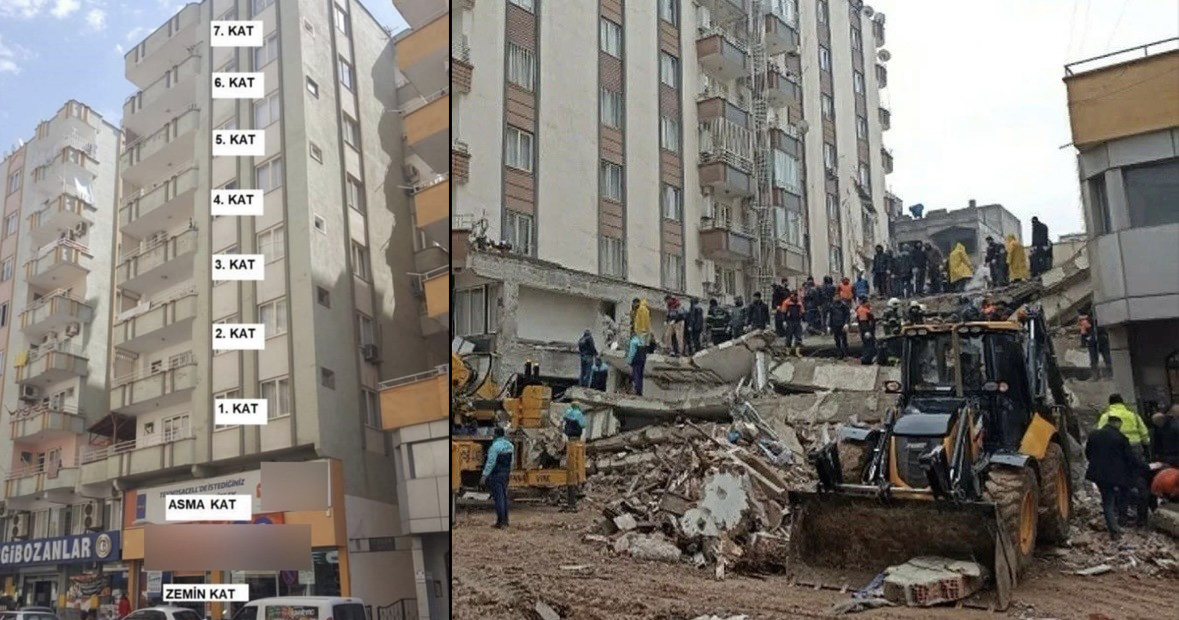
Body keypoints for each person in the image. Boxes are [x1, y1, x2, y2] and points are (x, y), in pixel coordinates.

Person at [1085, 416, 1145, 539]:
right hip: (1115, 475)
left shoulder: (1094, 435)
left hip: (1098, 474)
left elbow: (1088, 453)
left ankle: (1115, 527)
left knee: (1107, 500)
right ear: (1117, 423)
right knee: (1118, 497)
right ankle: (1117, 527)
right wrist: (1145, 466)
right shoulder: (1120, 438)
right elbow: (1130, 458)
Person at [481, 426, 515, 528]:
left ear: (495, 435)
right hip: (505, 473)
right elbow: (512, 462)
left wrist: (484, 475)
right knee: (504, 497)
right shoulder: (510, 445)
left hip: (496, 474)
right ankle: (505, 521)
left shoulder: (494, 447)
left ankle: (501, 522)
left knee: (498, 498)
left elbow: (491, 462)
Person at [560, 403, 587, 511]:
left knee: (571, 469)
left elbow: (564, 426)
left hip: (570, 441)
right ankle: (575, 495)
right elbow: (583, 426)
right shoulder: (579, 414)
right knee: (577, 468)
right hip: (577, 442)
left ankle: (572, 499)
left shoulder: (568, 414)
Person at [780, 291, 805, 357]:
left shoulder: (799, 302)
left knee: (798, 337)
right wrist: (784, 321)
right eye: (793, 295)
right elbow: (783, 312)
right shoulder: (786, 302)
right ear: (791, 295)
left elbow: (802, 312)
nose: (794, 297)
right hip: (789, 321)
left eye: (795, 296)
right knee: (789, 337)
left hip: (797, 321)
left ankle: (797, 352)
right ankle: (788, 352)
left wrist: (803, 320)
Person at [856, 297, 877, 365]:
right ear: (865, 303)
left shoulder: (866, 309)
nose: (869, 303)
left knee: (870, 344)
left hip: (869, 330)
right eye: (868, 302)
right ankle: (866, 359)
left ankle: (870, 358)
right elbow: (863, 322)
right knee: (867, 345)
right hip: (866, 331)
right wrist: (866, 331)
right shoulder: (862, 310)